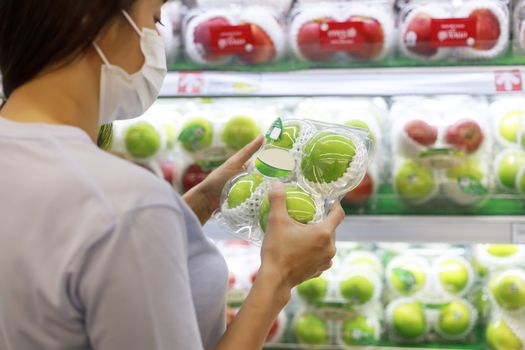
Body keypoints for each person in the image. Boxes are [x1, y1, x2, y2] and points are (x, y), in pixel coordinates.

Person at [0, 0, 345, 349]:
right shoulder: (126, 206)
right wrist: (278, 277)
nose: (156, 40)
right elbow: (112, 223)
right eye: (154, 19)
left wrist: (191, 208)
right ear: (91, 18)